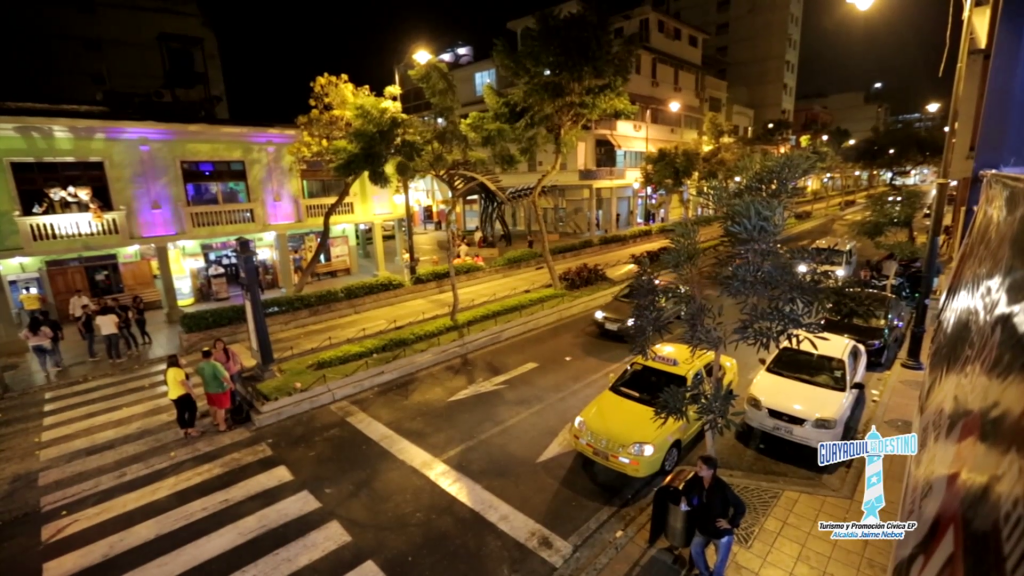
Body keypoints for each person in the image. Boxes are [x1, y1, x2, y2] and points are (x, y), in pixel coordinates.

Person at [681, 455, 746, 576]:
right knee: (695, 549)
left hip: (719, 531)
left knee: (720, 562)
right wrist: (684, 497)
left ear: (711, 471)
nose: (697, 469)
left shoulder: (722, 487)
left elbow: (740, 506)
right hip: (703, 527)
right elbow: (687, 485)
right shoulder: (697, 478)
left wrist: (730, 523)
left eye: (701, 467)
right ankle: (704, 573)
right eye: (697, 466)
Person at [196, 348, 235, 432]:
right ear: (212, 355)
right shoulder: (215, 365)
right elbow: (223, 376)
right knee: (221, 408)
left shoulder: (200, 365)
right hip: (219, 390)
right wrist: (230, 383)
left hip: (208, 388)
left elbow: (199, 373)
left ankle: (215, 420)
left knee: (212, 406)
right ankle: (222, 426)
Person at [165, 355, 201, 439]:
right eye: (180, 359)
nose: (182, 359)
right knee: (192, 410)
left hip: (174, 395)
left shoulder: (169, 370)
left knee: (181, 412)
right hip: (182, 395)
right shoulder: (178, 371)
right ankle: (191, 429)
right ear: (176, 361)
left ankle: (184, 429)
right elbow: (184, 384)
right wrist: (192, 393)